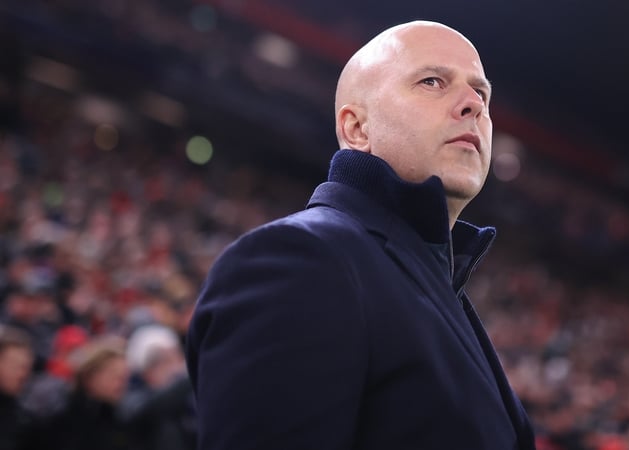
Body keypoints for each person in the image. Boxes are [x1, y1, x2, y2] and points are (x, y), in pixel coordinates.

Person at [186, 20, 536, 450]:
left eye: (480, 93)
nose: (473, 105)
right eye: (432, 81)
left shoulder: (435, 281)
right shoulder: (300, 261)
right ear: (356, 129)